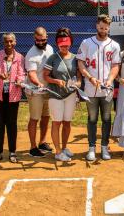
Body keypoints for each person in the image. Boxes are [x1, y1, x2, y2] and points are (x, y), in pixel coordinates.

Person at [77, 14, 121, 161]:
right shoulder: (86, 42)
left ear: (109, 28)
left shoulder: (114, 45)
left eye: (106, 28)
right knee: (92, 119)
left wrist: (109, 79)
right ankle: (91, 148)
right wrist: (89, 77)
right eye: (101, 27)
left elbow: (115, 66)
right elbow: (81, 63)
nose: (103, 30)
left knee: (107, 119)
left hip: (107, 89)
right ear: (97, 26)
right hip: (91, 88)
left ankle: (104, 148)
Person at [43, 28, 82, 162]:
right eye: (61, 45)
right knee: (57, 122)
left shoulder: (75, 58)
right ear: (57, 44)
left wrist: (77, 84)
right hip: (55, 95)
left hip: (70, 95)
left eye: (67, 45)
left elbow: (79, 77)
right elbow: (45, 76)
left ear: (71, 43)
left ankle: (64, 147)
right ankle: (58, 152)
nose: (64, 47)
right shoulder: (52, 58)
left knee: (67, 123)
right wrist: (56, 81)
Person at [0, 33, 25, 165]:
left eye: (11, 41)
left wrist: (19, 81)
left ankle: (12, 152)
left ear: (15, 42)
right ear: (3, 43)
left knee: (12, 124)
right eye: (6, 42)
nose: (8, 44)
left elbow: (22, 74)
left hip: (13, 95)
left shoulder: (20, 57)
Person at [25, 27, 54, 157]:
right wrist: (39, 84)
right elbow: (31, 74)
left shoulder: (50, 49)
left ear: (47, 38)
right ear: (34, 38)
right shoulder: (31, 54)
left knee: (46, 117)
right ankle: (33, 147)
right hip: (36, 91)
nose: (41, 42)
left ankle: (42, 142)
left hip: (48, 90)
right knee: (34, 118)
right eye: (38, 40)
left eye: (43, 40)